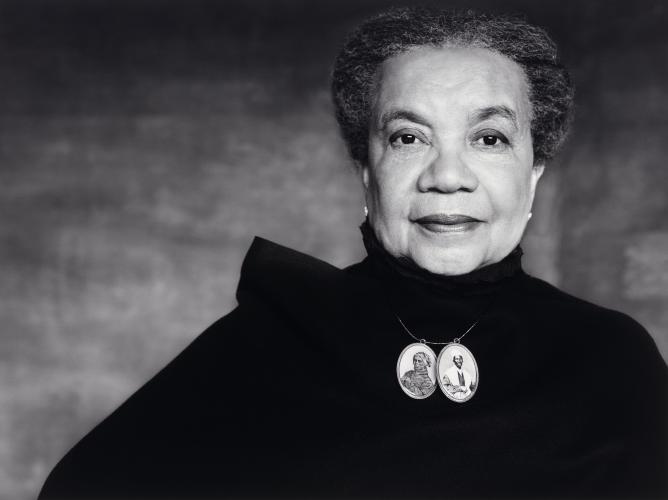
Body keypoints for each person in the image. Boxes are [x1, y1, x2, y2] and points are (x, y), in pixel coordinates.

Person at [39, 7, 667, 499]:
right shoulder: (274, 338)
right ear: (367, 174)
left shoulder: (611, 361)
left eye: (489, 137)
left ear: (532, 175)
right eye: (408, 136)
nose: (447, 175)